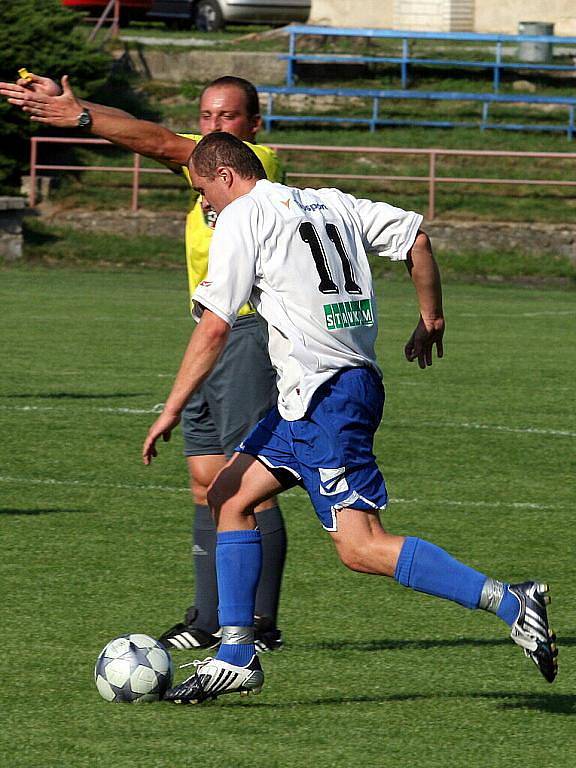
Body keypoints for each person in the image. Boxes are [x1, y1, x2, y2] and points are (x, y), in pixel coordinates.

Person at [135, 132, 557, 704]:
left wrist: (171, 408)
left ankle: (511, 601)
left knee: (360, 547)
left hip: (326, 399)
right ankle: (236, 653)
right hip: (318, 394)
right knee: (228, 497)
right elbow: (418, 239)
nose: (204, 204)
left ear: (227, 176)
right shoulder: (331, 201)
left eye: (204, 189)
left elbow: (215, 326)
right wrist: (430, 316)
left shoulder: (242, 217)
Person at [0, 73, 287, 652]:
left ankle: (257, 623)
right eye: (204, 116)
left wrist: (82, 120)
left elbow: (159, 143)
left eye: (226, 117)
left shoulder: (256, 164)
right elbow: (152, 136)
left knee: (249, 483)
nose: (212, 127)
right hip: (208, 333)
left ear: (253, 127)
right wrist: (77, 107)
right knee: (206, 480)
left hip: (250, 331)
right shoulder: (207, 175)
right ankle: (208, 618)